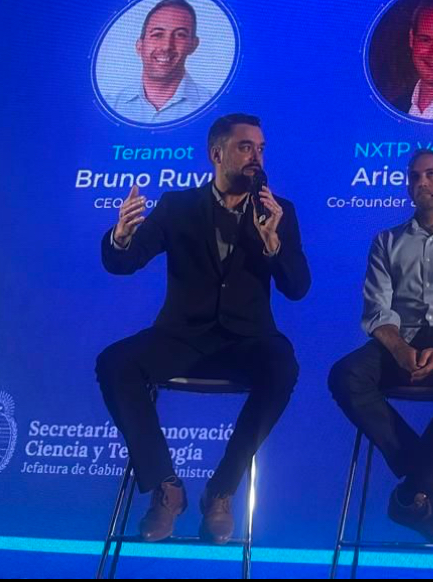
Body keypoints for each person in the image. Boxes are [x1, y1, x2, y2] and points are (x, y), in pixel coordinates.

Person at [96, 113, 310, 544]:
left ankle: (222, 490)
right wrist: (120, 236)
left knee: (282, 365)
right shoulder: (177, 206)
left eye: (260, 149)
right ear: (217, 154)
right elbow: (125, 262)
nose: (256, 157)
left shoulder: (278, 211)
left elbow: (297, 288)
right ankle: (165, 487)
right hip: (182, 336)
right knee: (115, 363)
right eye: (245, 147)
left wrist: (273, 243)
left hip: (246, 339)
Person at [328, 149, 433, 546]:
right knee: (345, 376)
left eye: (431, 175)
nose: (421, 182)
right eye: (415, 176)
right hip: (399, 341)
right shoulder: (386, 240)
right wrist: (400, 349)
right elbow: (376, 310)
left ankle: (412, 491)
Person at [110, 0, 209, 124]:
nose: (167, 46)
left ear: (193, 45)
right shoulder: (112, 105)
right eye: (157, 34)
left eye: (180, 35)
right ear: (139, 46)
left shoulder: (211, 105)